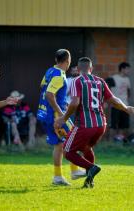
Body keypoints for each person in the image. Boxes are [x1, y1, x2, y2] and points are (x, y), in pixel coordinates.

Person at [54, 57, 134, 188]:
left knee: (68, 152)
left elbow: (75, 103)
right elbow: (113, 99)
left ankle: (92, 167)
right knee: (87, 148)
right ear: (91, 69)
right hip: (100, 125)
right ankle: (89, 181)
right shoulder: (100, 81)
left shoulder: (77, 81)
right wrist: (126, 108)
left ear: (78, 69)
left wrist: (63, 118)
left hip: (85, 124)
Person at [37, 49, 85, 186]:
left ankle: (58, 177)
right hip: (55, 116)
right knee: (73, 138)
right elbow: (49, 94)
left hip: (44, 113)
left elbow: (43, 87)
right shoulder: (59, 74)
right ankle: (74, 171)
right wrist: (61, 114)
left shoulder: (50, 71)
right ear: (67, 61)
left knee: (59, 144)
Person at [109, 62, 131, 142]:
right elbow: (107, 90)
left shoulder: (127, 79)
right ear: (122, 69)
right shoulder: (113, 78)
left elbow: (128, 91)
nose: (129, 71)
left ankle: (119, 141)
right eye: (127, 69)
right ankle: (111, 141)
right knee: (113, 124)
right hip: (116, 105)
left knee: (123, 124)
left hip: (125, 105)